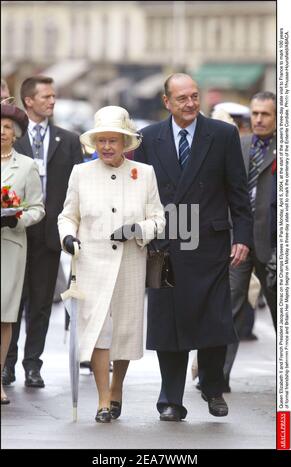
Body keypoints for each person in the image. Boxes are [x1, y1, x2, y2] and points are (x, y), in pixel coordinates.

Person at [134, 73, 253, 421]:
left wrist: (242, 236)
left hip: (210, 244)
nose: (190, 104)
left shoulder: (223, 134)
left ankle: (212, 387)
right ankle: (170, 398)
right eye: (182, 98)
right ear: (167, 102)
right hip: (166, 244)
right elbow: (142, 193)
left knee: (214, 321)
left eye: (194, 96)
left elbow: (238, 193)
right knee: (167, 324)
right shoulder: (149, 138)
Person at [58, 105, 165, 423]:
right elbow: (68, 215)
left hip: (131, 264)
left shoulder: (144, 173)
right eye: (101, 140)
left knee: (124, 333)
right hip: (91, 263)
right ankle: (104, 399)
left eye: (113, 141)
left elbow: (159, 219)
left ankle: (117, 387)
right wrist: (67, 237)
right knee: (98, 332)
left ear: (124, 142)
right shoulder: (81, 172)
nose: (106, 147)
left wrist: (139, 229)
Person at [2, 76, 83, 388]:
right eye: (46, 96)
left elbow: (77, 188)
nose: (52, 101)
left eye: (54, 96)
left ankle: (33, 365)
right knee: (11, 301)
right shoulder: (11, 138)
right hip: (14, 233)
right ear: (28, 101)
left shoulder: (69, 140)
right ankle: (6, 364)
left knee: (40, 304)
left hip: (49, 234)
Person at [224, 91, 277, 389]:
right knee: (229, 308)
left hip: (273, 246)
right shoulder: (239, 146)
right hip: (239, 244)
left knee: (280, 311)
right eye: (255, 113)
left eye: (265, 114)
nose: (258, 119)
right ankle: (218, 378)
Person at [1, 103, 45, 404]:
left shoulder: (27, 165)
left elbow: (37, 208)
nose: (1, 132)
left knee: (4, 317)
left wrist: (18, 218)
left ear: (15, 134)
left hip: (10, 245)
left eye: (6, 127)